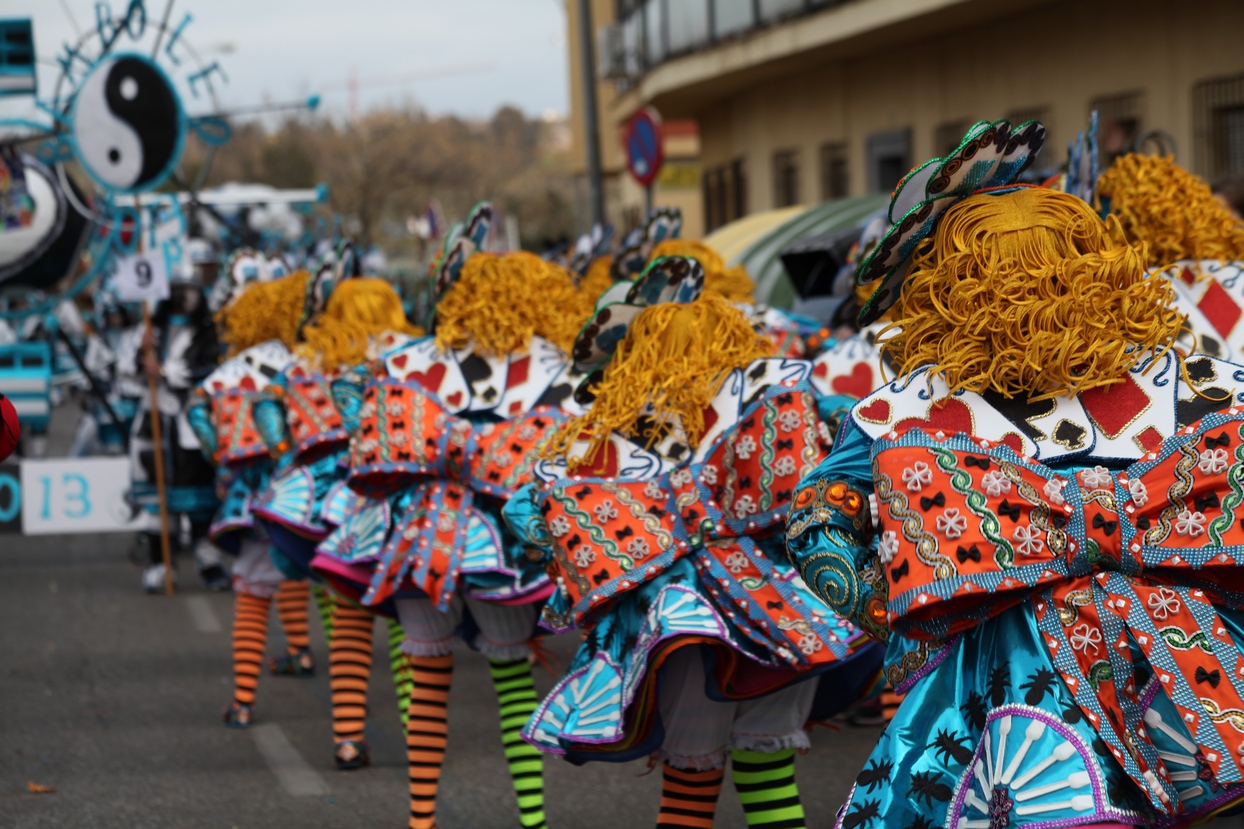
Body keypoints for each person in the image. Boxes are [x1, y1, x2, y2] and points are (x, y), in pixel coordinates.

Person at [786, 119, 1244, 828]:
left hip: (1003, 674)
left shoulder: (902, 409)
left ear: (946, 282)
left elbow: (817, 523)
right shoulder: (1202, 384)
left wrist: (914, 614)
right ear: (1095, 263)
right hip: (1183, 664)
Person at [505, 254, 881, 829]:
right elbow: (854, 443)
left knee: (690, 782)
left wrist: (588, 548)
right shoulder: (772, 398)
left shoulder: (606, 434)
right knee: (771, 772)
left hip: (681, 620)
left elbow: (528, 512)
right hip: (782, 611)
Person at [315, 210, 590, 829]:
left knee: (428, 681)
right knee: (514, 680)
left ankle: (421, 822)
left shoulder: (412, 365)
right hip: (505, 544)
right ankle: (532, 822)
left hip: (425, 539)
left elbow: (372, 440)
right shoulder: (557, 369)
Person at [250, 267, 423, 769]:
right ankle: (418, 727)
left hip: (325, 503)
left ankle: (347, 739)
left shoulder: (309, 358)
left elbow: (266, 402)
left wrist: (286, 457)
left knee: (348, 622)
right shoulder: (408, 356)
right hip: (397, 497)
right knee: (406, 621)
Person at [186, 270, 319, 727]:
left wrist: (221, 455)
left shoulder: (232, 369)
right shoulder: (311, 359)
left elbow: (198, 411)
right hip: (318, 493)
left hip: (253, 497)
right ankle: (338, 709)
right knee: (329, 592)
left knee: (254, 591)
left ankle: (243, 700)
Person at [123, 270, 226, 592]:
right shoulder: (149, 329)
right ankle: (160, 565)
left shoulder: (210, 332)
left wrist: (166, 370)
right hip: (154, 423)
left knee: (200, 498)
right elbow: (124, 371)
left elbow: (210, 370)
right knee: (159, 500)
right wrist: (142, 354)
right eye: (178, 290)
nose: (184, 297)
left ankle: (208, 561)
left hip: (192, 427)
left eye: (190, 290)